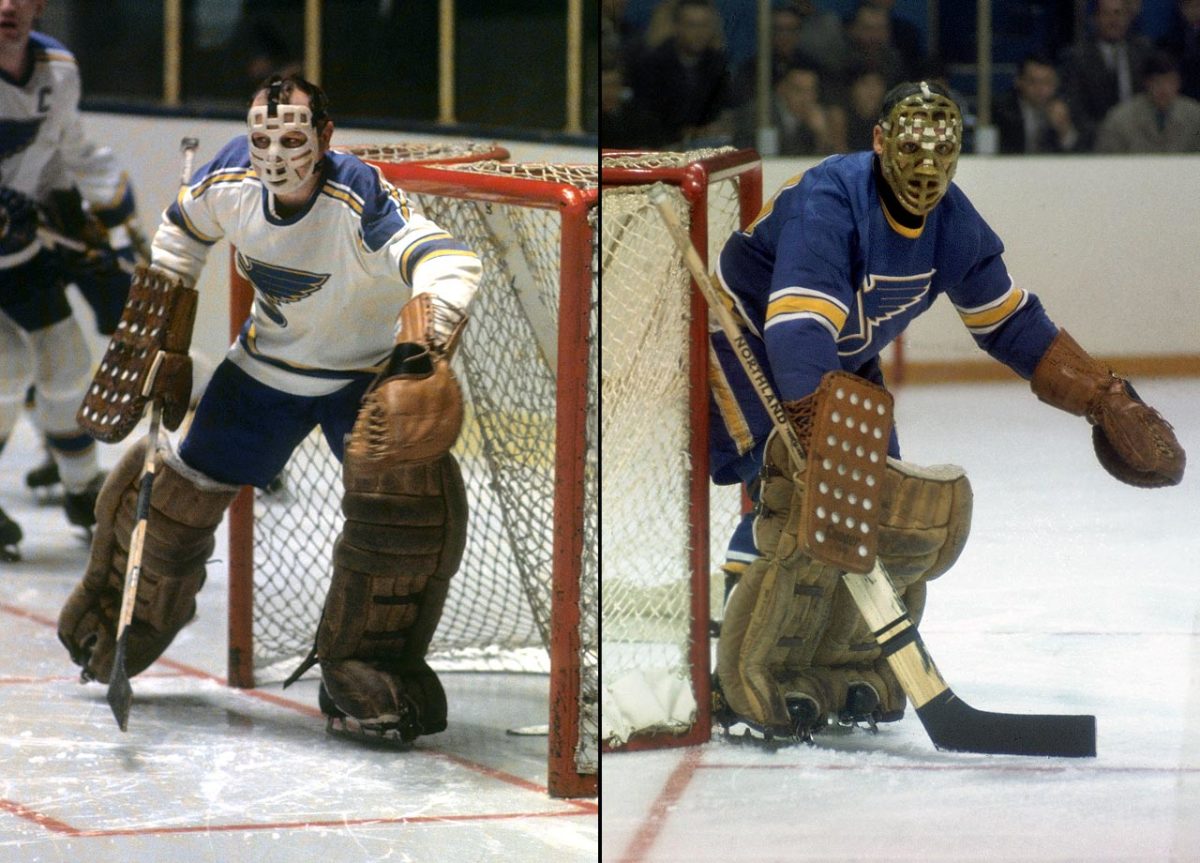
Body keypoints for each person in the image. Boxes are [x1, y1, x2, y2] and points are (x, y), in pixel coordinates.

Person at [707, 80, 1185, 740]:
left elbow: (1012, 324)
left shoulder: (953, 223)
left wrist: (1103, 397)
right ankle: (742, 642)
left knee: (881, 511)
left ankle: (836, 653)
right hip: (740, 332)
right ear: (878, 142)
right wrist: (822, 444)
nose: (926, 168)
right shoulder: (831, 201)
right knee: (797, 492)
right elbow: (796, 331)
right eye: (910, 147)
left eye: (942, 151)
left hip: (837, 352)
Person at [57, 74, 483, 745]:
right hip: (264, 373)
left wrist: (419, 353)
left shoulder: (362, 197)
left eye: (292, 138)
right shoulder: (227, 178)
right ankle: (125, 609)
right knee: (175, 499)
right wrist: (161, 328)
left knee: (407, 513)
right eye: (263, 138)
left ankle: (365, 662)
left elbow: (450, 262)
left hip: (363, 381)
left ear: (326, 136)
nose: (275, 153)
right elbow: (180, 233)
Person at [0, 0, 143, 559]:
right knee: (7, 366)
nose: (7, 5)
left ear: (39, 7)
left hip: (22, 248)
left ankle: (84, 491)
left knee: (68, 365)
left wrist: (115, 226)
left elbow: (74, 151)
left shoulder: (57, 70)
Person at [629, 0, 735, 147]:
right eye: (692, 25)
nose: (699, 33)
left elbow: (724, 108)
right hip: (662, 148)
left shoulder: (717, 64)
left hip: (707, 147)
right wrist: (684, 132)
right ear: (677, 27)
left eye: (704, 25)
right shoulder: (652, 64)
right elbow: (645, 117)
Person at [1060, 0, 1154, 149]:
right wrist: (1106, 134)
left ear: (1128, 17)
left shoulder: (1144, 52)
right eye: (1106, 14)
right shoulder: (1077, 57)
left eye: (1118, 13)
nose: (1113, 20)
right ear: (1095, 18)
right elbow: (1075, 108)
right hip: (1097, 142)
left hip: (1142, 140)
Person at [1096, 49, 1200, 150]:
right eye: (1157, 82)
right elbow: (1106, 161)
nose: (1164, 89)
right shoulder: (1120, 119)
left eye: (1170, 82)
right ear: (1146, 83)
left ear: (1179, 83)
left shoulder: (1195, 116)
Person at [733, 65, 844, 155]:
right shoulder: (760, 114)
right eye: (798, 90)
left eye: (810, 91)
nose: (806, 98)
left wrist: (822, 134)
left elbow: (834, 164)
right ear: (782, 89)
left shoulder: (817, 118)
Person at [994, 54, 1085, 153]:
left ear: (1056, 83)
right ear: (1019, 81)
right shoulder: (1002, 111)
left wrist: (1064, 129)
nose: (1040, 89)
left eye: (1047, 82)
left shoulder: (1069, 106)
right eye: (1033, 82)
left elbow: (1083, 153)